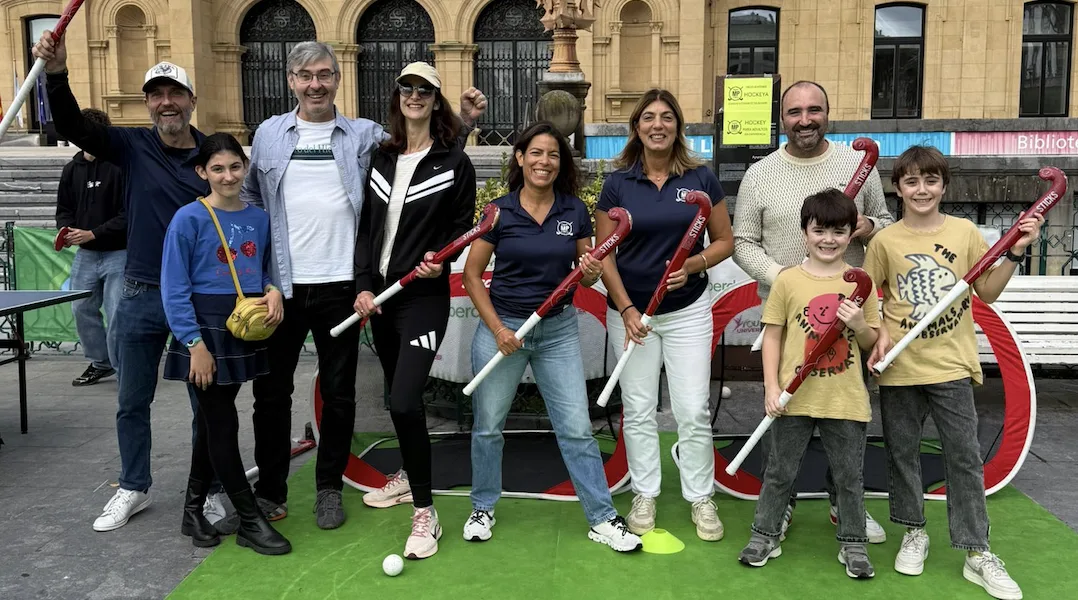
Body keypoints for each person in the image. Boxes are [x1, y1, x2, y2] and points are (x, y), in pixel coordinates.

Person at [242, 43, 487, 529]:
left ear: (338, 79)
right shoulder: (269, 134)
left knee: (339, 394)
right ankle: (269, 491)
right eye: (306, 75)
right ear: (291, 80)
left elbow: (431, 152)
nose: (316, 84)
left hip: (346, 289)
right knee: (270, 395)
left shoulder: (364, 136)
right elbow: (251, 199)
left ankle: (329, 489)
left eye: (325, 75)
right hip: (284, 287)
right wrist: (254, 274)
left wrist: (462, 118)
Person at [33, 31, 226, 533]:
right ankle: (133, 486)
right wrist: (56, 73)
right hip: (140, 292)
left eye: (175, 94)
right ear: (147, 104)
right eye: (156, 95)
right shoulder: (132, 144)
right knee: (131, 401)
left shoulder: (213, 156)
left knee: (205, 402)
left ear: (191, 100)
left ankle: (208, 489)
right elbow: (75, 125)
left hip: (200, 299)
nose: (166, 103)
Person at [864, 146, 1040, 599]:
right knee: (901, 454)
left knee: (964, 457)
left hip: (951, 365)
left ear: (944, 185)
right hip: (901, 368)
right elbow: (869, 300)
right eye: (911, 182)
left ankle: (976, 550)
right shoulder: (885, 241)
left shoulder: (964, 234)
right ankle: (913, 530)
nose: (921, 190)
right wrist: (879, 334)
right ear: (898, 188)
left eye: (931, 181)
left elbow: (988, 292)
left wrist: (1015, 255)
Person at [461, 121, 642, 553]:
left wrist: (590, 273)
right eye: (536, 153)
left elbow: (582, 276)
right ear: (520, 158)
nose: (545, 161)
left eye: (554, 155)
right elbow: (471, 275)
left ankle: (602, 517)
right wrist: (499, 329)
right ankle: (482, 506)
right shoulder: (499, 211)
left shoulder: (574, 211)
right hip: (503, 329)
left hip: (557, 330)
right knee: (488, 427)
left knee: (578, 429)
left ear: (561, 164)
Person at [732, 80, 895, 544]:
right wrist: (787, 277)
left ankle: (846, 508)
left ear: (828, 112)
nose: (805, 119)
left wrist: (865, 225)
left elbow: (883, 224)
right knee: (784, 411)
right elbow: (743, 242)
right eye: (795, 112)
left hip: (848, 318)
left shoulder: (856, 164)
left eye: (814, 110)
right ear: (781, 119)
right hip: (791, 318)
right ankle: (777, 509)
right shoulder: (760, 174)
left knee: (844, 420)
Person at [595, 89, 734, 541]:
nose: (658, 125)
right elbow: (605, 254)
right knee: (637, 408)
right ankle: (645, 492)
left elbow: (723, 242)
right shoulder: (618, 182)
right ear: (636, 126)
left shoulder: (700, 178)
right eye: (648, 118)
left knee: (692, 409)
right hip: (633, 315)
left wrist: (693, 265)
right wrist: (627, 308)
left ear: (678, 125)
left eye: (667, 117)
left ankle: (700, 496)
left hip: (686, 311)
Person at [350, 62, 477, 558]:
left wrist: (438, 260)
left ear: (435, 98)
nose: (415, 95)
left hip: (423, 299)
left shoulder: (453, 162)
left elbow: (461, 227)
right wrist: (362, 288)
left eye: (425, 89)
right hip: (378, 301)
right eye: (407, 87)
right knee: (396, 397)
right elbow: (366, 231)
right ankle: (406, 475)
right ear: (397, 95)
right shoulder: (381, 158)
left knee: (404, 400)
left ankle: (425, 512)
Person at [737, 189, 880, 579]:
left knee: (850, 477)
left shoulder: (860, 283)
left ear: (852, 233)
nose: (828, 240)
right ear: (805, 232)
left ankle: (853, 542)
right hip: (790, 397)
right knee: (779, 472)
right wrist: (770, 387)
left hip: (845, 397)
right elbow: (772, 335)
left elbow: (872, 345)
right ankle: (765, 533)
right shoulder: (788, 281)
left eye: (838, 231)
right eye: (820, 230)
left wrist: (859, 325)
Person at [161, 133, 289, 555]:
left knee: (215, 423)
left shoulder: (258, 218)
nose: (227, 175)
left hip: (242, 325)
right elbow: (174, 287)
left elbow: (264, 268)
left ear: (245, 168)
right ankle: (249, 519)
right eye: (217, 168)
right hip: (204, 329)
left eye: (235, 166)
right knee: (222, 422)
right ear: (202, 172)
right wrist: (194, 342)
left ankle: (192, 510)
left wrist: (272, 290)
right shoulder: (188, 218)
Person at [55, 108, 126, 386]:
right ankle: (101, 362)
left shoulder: (121, 166)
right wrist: (66, 229)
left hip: (120, 252)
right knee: (80, 308)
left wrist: (93, 233)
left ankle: (125, 369)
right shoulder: (71, 169)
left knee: (117, 310)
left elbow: (128, 214)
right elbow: (64, 209)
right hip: (85, 255)